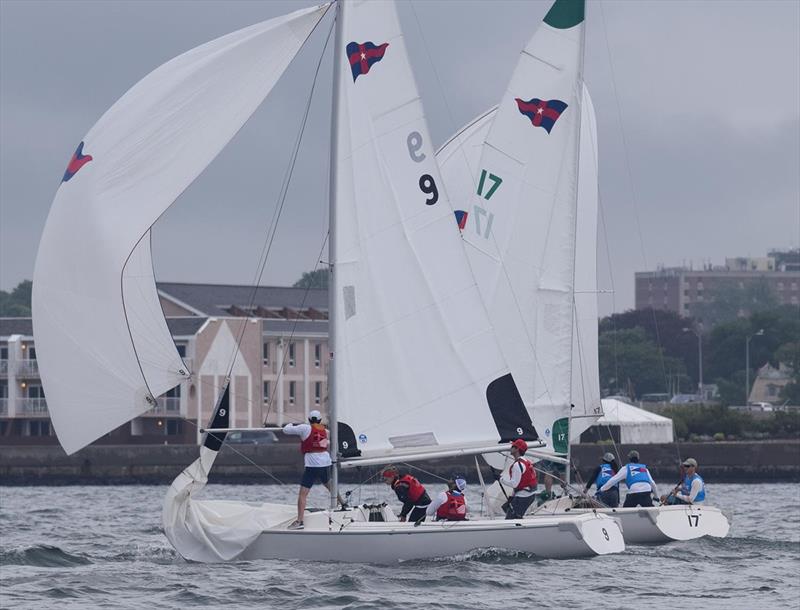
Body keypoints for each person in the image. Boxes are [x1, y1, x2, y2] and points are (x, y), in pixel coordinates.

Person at [282, 409, 342, 530]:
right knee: (330, 486)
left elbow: (286, 430)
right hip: (325, 462)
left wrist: (289, 424)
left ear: (309, 420)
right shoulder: (326, 431)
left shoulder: (305, 428)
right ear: (320, 420)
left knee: (303, 494)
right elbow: (326, 443)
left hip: (312, 464)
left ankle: (300, 521)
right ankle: (343, 503)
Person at [499, 438, 539, 519]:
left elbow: (514, 484)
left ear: (517, 449)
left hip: (523, 497)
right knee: (515, 516)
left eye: (513, 446)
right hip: (529, 495)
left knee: (510, 519)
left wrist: (501, 479)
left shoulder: (518, 465)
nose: (511, 447)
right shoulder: (527, 462)